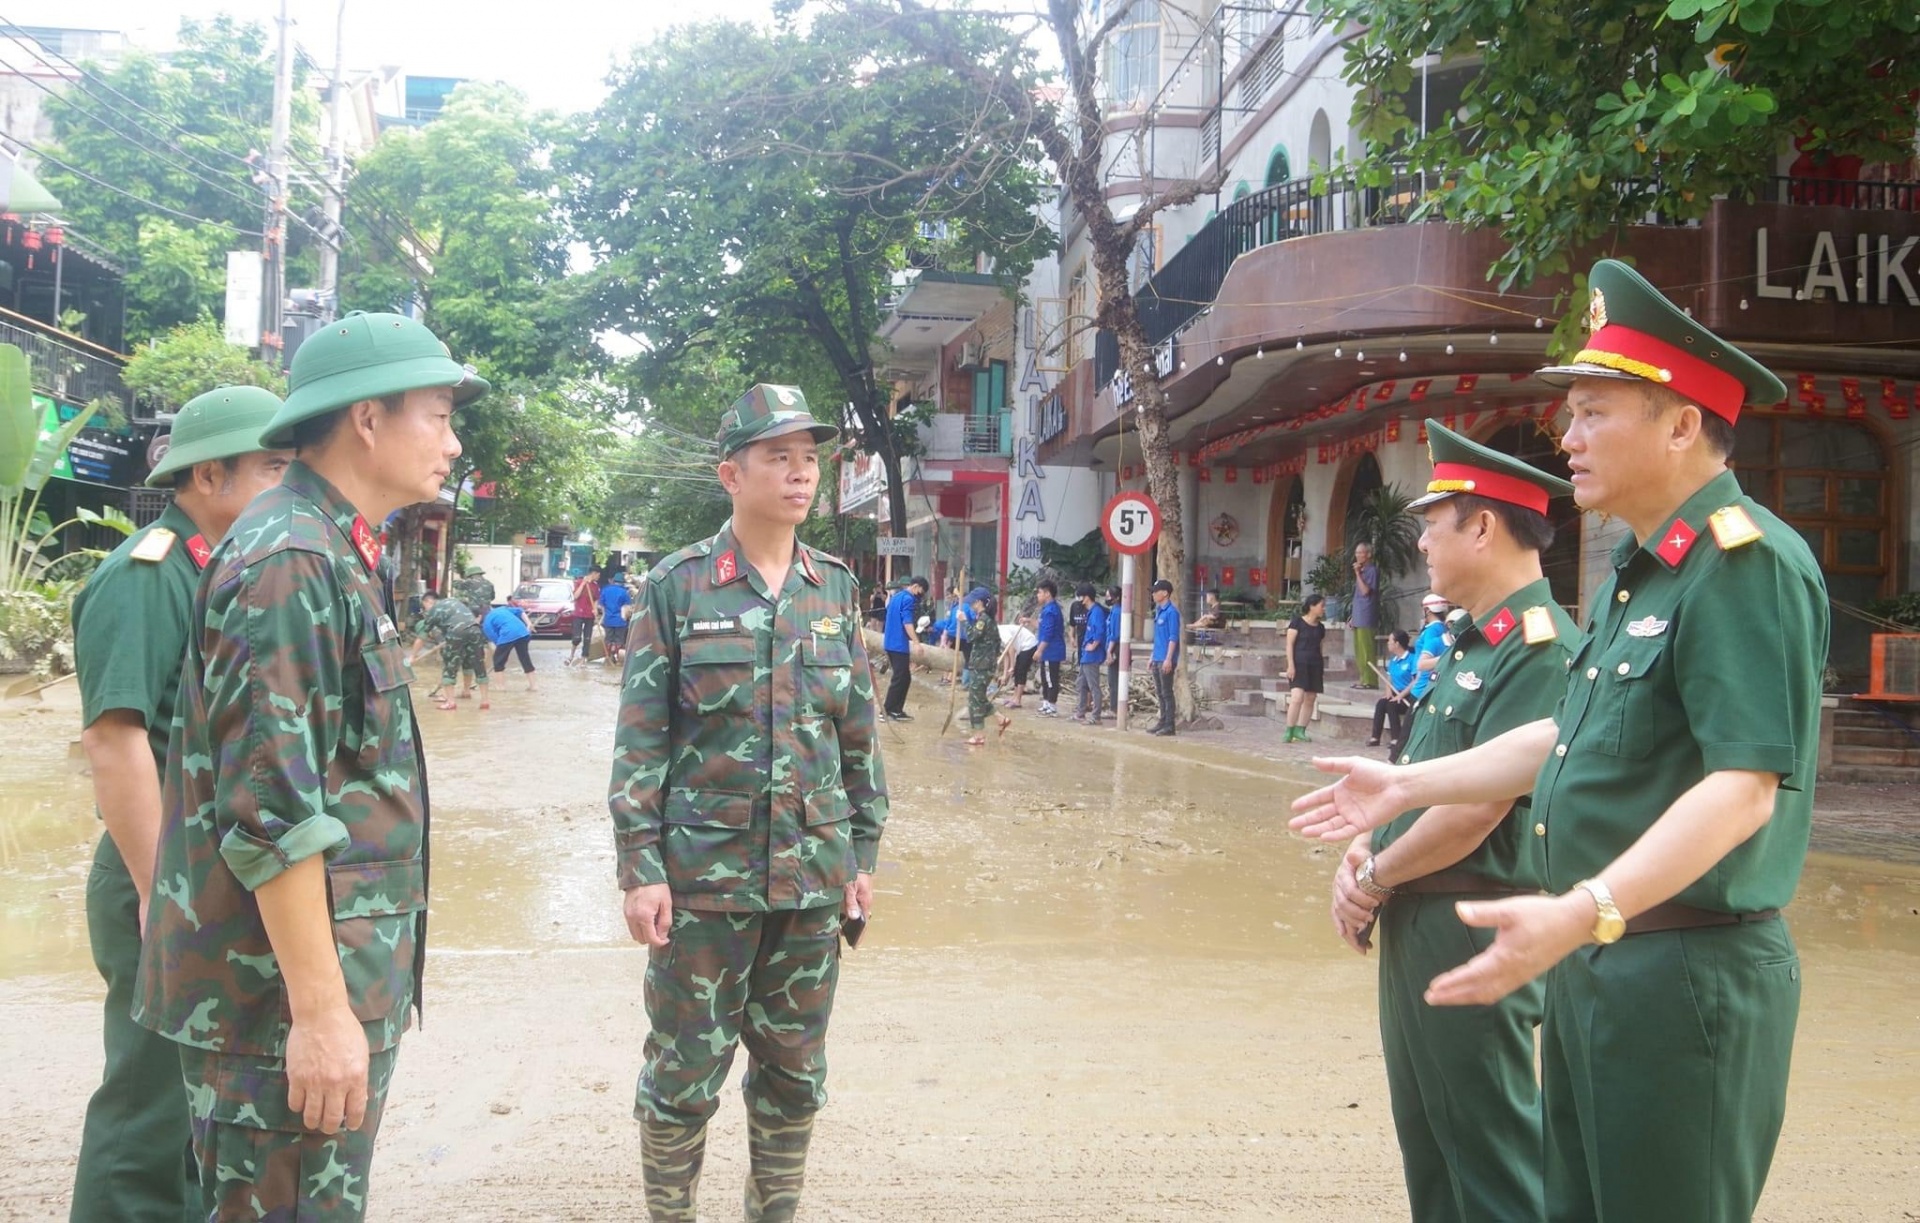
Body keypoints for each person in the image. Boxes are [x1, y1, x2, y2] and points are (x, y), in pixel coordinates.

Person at [1293, 259, 1822, 1223]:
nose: (1566, 440)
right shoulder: (1642, 570)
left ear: (1680, 423)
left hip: (1682, 967)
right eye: (1569, 415)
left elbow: (1745, 787)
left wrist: (1583, 909)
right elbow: (1565, 737)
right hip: (1601, 956)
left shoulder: (1743, 564)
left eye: (1591, 413)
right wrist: (1407, 784)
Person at [135, 312, 485, 1220]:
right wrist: (322, 1014)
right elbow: (272, 814)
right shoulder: (288, 559)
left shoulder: (329, 546)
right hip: (273, 1006)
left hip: (310, 985)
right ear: (367, 418)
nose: (453, 442)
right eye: (439, 414)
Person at [607, 383, 886, 1223]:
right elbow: (640, 742)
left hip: (809, 884)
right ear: (733, 472)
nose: (801, 475)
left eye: (810, 459)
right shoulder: (679, 585)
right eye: (779, 457)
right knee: (682, 1078)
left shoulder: (833, 588)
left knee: (795, 1077)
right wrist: (640, 869)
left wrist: (860, 860)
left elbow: (860, 742)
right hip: (702, 887)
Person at [1325, 423, 1580, 1220]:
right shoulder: (1468, 645)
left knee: (1491, 1155)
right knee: (1432, 1147)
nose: (1424, 542)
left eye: (1435, 523)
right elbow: (1415, 778)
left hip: (1474, 918)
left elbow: (1475, 809)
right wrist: (1365, 846)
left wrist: (1370, 877)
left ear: (1483, 525)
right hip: (1419, 913)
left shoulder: (1540, 650)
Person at [69, 386, 289, 1223]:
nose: (285, 484)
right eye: (271, 466)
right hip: (157, 872)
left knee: (204, 1103)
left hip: (203, 876)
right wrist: (170, 895)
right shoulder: (147, 573)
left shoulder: (227, 571)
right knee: (151, 1102)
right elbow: (115, 742)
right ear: (208, 474)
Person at [412, 590, 490, 711]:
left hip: (456, 632)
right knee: (479, 664)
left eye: (424, 606)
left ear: (428, 601)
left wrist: (412, 656)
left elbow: (421, 637)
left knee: (450, 667)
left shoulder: (434, 610)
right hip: (475, 629)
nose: (425, 610)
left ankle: (450, 702)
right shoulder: (453, 600)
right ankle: (484, 701)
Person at [963, 587, 1007, 746]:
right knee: (978, 697)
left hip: (982, 666)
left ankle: (979, 735)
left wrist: (964, 622)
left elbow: (971, 636)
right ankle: (1000, 718)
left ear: (979, 603)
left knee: (975, 701)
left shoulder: (983, 620)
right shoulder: (987, 619)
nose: (971, 605)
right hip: (984, 664)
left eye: (973, 602)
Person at [881, 575, 927, 721]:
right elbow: (907, 623)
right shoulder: (908, 599)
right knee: (899, 678)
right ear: (916, 587)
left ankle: (896, 710)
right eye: (922, 591)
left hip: (890, 643)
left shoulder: (897, 596)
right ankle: (887, 710)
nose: (921, 594)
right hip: (898, 644)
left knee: (905, 678)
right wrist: (916, 642)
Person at [1283, 593, 1328, 744]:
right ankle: (1289, 730)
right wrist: (1290, 665)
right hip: (1299, 663)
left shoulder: (1321, 628)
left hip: (1315, 664)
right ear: (1312, 606)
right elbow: (1289, 645)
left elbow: (1320, 647)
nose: (1324, 609)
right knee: (1297, 697)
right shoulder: (1297, 622)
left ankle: (1300, 730)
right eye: (1321, 605)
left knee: (1310, 698)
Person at [1366, 629, 1416, 756]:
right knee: (1381, 703)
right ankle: (1375, 737)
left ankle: (1396, 738)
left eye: (1390, 641)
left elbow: (1415, 681)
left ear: (1397, 643)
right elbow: (1389, 679)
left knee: (1391, 705)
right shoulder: (1394, 660)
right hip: (1395, 692)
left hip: (1408, 695)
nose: (1388, 643)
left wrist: (1401, 695)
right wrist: (1388, 692)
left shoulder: (1411, 659)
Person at [1147, 578, 1181, 735]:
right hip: (1158, 657)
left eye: (1156, 591)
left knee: (1167, 692)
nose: (1153, 594)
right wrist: (1152, 657)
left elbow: (1173, 637)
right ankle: (1162, 720)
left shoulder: (1172, 612)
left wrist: (1168, 658)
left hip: (1166, 659)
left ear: (1165, 593)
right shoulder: (1159, 611)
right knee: (1160, 692)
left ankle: (1169, 725)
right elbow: (1158, 638)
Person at [1073, 583, 1108, 723]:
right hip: (1085, 656)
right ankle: (1080, 712)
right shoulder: (1091, 612)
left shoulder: (1097, 612)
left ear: (1086, 597)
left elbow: (1099, 631)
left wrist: (1093, 645)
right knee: (1081, 684)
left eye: (1080, 596)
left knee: (1093, 686)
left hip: (1092, 656)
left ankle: (1095, 716)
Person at [485, 600, 538, 689]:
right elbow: (520, 611)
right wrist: (529, 623)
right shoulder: (503, 609)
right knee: (525, 658)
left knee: (498, 661)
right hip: (523, 633)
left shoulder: (486, 622)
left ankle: (500, 687)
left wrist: (503, 652)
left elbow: (496, 641)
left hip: (508, 634)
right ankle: (534, 686)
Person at [1350, 541, 1380, 688]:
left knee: (1366, 649)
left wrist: (1357, 574)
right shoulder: (1362, 571)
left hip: (1367, 615)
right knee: (1359, 651)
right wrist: (1353, 616)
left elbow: (1366, 591)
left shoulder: (1372, 570)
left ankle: (1370, 680)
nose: (1357, 556)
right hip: (1359, 614)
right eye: (1356, 553)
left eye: (1360, 552)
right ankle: (1363, 678)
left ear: (1368, 554)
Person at [1034, 579, 1066, 716]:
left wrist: (1039, 650)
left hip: (1051, 651)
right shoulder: (1046, 609)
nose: (1038, 595)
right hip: (1048, 651)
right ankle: (1046, 702)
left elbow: (1048, 633)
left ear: (1047, 594)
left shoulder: (1051, 610)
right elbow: (1042, 626)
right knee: (1045, 676)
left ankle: (1052, 705)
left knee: (1051, 678)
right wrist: (1029, 621)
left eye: (1040, 593)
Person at [996, 614, 1039, 708]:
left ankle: (1018, 700)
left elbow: (1011, 649)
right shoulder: (997, 638)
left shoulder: (1000, 631)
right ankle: (1014, 697)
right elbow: (1006, 654)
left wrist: (1012, 666)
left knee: (1020, 671)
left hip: (1029, 644)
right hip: (1021, 648)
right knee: (1016, 672)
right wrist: (1005, 674)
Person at [1412, 592, 1450, 688]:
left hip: (1423, 682)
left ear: (1427, 610)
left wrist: (1417, 680)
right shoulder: (1442, 627)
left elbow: (1427, 656)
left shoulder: (1432, 630)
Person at [567, 566, 602, 665]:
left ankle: (584, 658)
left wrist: (595, 609)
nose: (599, 577)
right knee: (577, 637)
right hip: (578, 613)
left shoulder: (595, 586)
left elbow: (595, 600)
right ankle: (571, 655)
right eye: (598, 575)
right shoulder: (578, 582)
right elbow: (575, 596)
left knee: (587, 639)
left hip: (589, 615)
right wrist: (583, 583)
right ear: (594, 573)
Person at [600, 570, 634, 667]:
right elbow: (628, 607)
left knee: (608, 639)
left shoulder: (605, 590)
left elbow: (601, 605)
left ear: (614, 581)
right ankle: (619, 660)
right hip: (620, 621)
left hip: (608, 620)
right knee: (619, 640)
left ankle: (608, 657)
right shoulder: (624, 593)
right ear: (622, 582)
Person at [1102, 585, 1124, 717]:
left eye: (1108, 596)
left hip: (1115, 647)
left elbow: (1115, 634)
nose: (1107, 598)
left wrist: (1109, 652)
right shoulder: (1114, 610)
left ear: (1116, 598)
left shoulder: (1117, 612)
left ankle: (1114, 708)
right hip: (1113, 646)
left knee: (1113, 679)